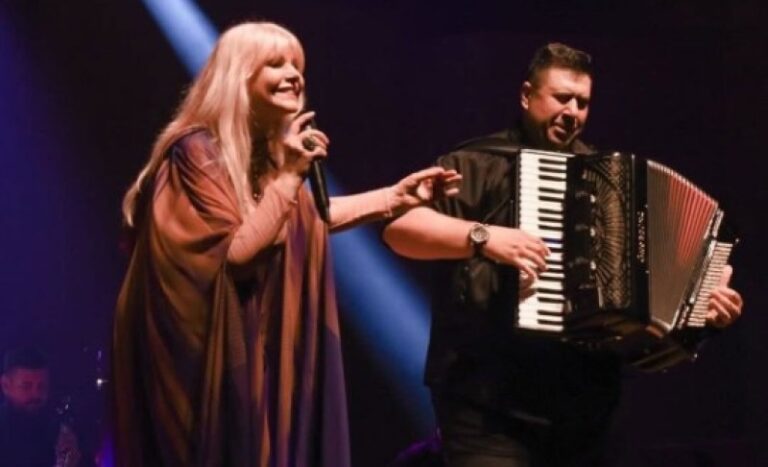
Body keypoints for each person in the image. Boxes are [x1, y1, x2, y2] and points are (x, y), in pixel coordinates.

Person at [111, 21, 460, 467]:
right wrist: (291, 175)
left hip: (251, 358)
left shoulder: (261, 162)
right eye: (276, 64)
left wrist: (394, 197)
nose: (294, 75)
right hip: (202, 373)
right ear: (239, 77)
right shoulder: (195, 152)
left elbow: (305, 218)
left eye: (298, 65)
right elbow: (238, 253)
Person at [382, 43, 743, 466]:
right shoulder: (477, 162)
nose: (572, 112)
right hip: (487, 406)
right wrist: (484, 236)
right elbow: (400, 230)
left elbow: (640, 322)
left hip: (581, 411)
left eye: (582, 103)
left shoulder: (612, 185)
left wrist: (701, 314)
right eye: (561, 98)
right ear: (526, 95)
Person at [0, 347, 82, 467]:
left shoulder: (57, 429)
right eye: (26, 386)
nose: (36, 394)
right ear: (6, 386)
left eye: (41, 386)